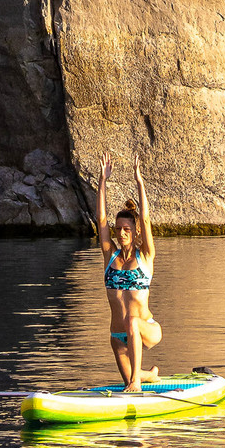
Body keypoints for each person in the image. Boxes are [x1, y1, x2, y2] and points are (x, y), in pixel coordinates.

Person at [96, 154, 160, 392]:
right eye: (118, 229)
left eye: (126, 229)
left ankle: (137, 382)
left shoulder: (145, 256)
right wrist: (103, 181)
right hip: (118, 337)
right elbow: (100, 219)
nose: (121, 233)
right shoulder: (110, 256)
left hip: (146, 328)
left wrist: (139, 182)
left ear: (134, 233)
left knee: (132, 321)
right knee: (128, 378)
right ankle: (146, 376)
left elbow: (145, 218)